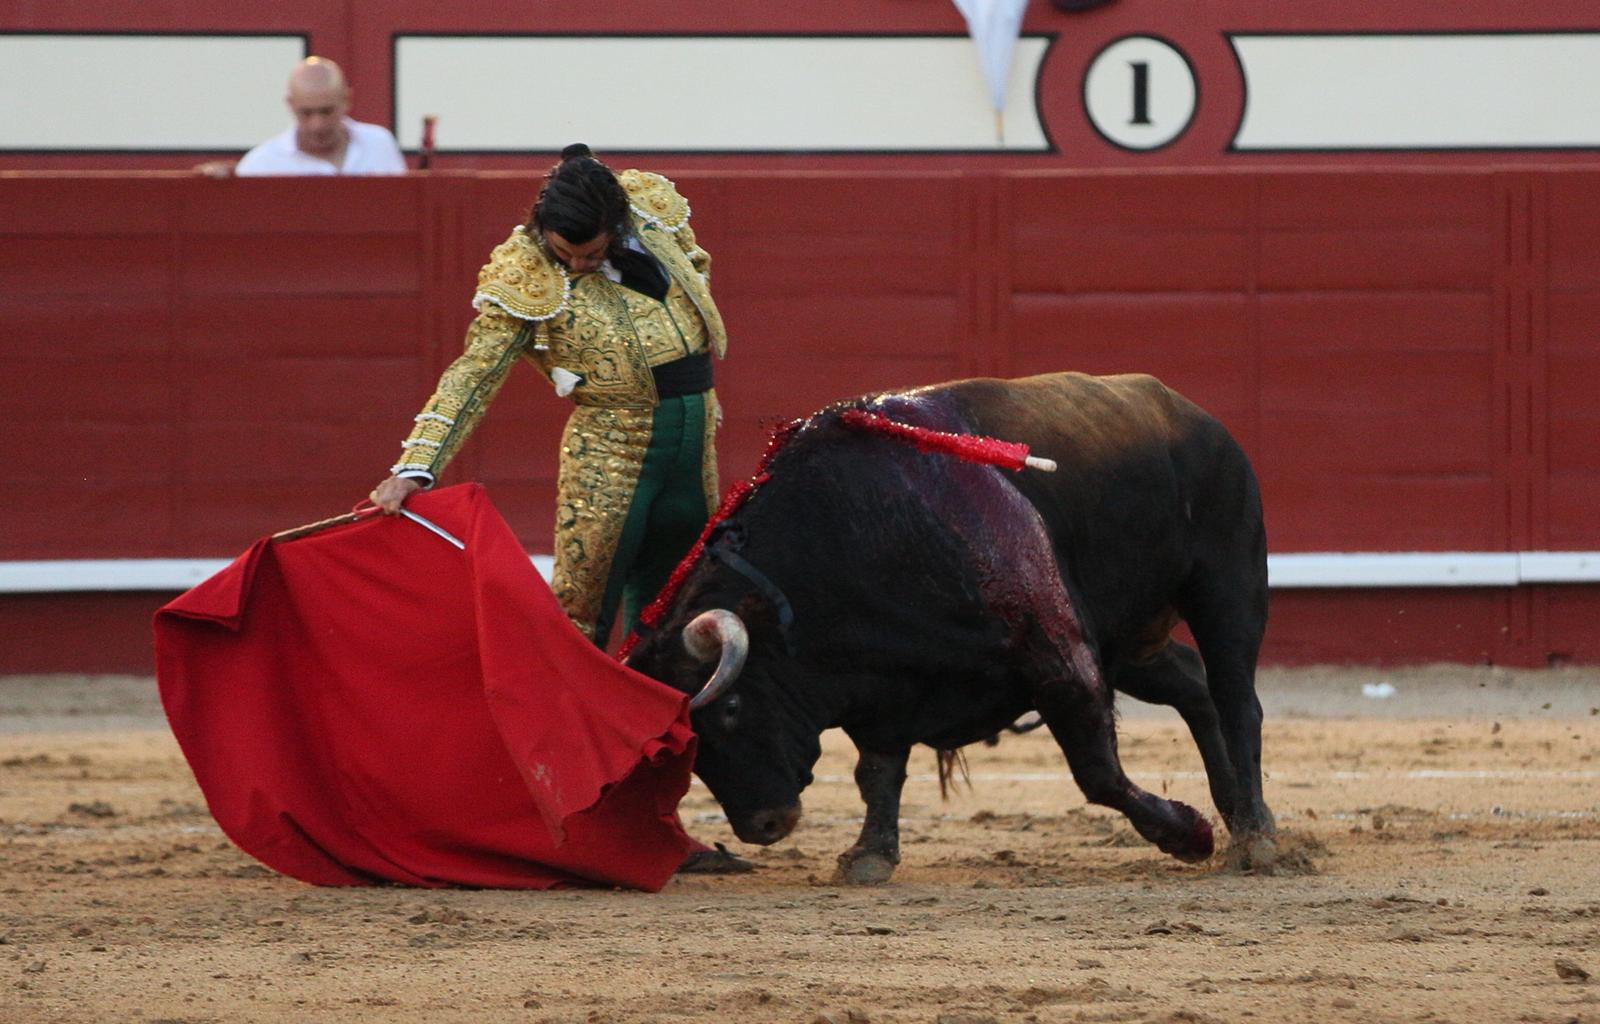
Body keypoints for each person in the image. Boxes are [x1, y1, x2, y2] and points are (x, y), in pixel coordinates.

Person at [371, 144, 729, 650]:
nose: (579, 265)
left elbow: (696, 271)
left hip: (694, 445)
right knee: (581, 612)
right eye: (565, 255)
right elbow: (474, 373)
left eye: (593, 253)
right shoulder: (524, 272)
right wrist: (416, 465)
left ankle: (664, 724)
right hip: (612, 453)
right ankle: (573, 727)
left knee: (677, 607)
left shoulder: (653, 213)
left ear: (618, 224)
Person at [195, 57, 405, 178]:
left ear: (347, 100)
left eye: (326, 111)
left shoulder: (380, 144)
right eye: (306, 113)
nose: (317, 124)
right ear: (291, 105)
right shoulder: (262, 164)